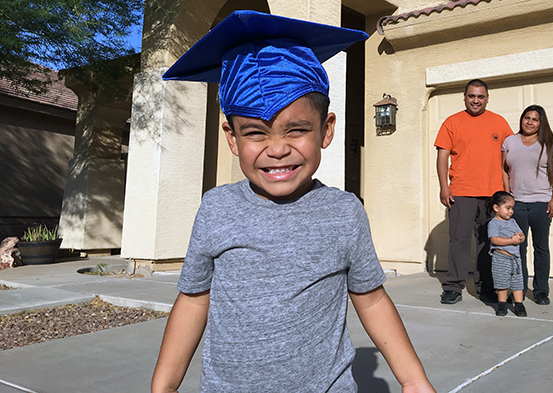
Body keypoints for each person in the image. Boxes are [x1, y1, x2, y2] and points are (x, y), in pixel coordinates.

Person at [151, 11, 435, 393]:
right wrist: (164, 386)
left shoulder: (344, 212)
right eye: (255, 132)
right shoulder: (217, 208)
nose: (278, 149)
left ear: (326, 130)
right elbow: (194, 300)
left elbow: (370, 299)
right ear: (232, 138)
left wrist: (413, 380)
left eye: (297, 129)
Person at [434, 79, 514, 304]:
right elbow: (442, 156)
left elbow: (508, 159)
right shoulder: (452, 122)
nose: (476, 100)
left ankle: (486, 287)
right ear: (464, 97)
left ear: (487, 98)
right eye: (471, 96)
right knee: (458, 241)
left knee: (487, 242)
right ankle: (453, 287)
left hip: (492, 195)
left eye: (480, 96)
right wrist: (444, 187)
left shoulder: (499, 122)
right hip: (461, 191)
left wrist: (508, 194)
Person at [501, 105, 553, 306]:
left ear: (541, 123)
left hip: (541, 204)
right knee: (518, 248)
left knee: (541, 248)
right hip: (517, 203)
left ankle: (540, 291)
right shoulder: (510, 141)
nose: (529, 122)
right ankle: (518, 289)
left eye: (535, 119)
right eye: (526, 118)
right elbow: (504, 170)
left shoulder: (548, 143)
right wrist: (507, 197)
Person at [487, 191, 527, 317]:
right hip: (501, 257)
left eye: (512, 208)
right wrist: (511, 241)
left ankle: (519, 304)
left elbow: (521, 234)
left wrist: (520, 238)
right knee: (502, 282)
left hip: (515, 259)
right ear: (496, 208)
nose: (511, 211)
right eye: (507, 208)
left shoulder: (513, 222)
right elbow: (494, 239)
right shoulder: (493, 223)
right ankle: (502, 304)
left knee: (517, 282)